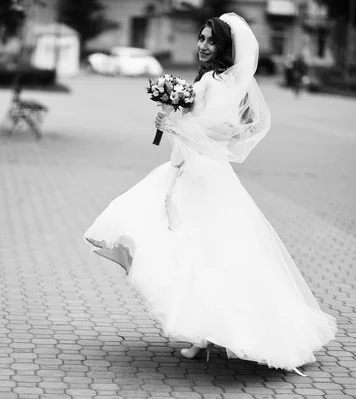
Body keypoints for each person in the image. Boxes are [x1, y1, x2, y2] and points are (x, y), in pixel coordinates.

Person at [84, 13, 337, 376]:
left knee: (210, 250)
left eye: (210, 40)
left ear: (225, 47)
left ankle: (227, 329)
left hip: (206, 178)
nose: (202, 45)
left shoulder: (230, 85)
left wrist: (177, 122)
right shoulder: (207, 80)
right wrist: (171, 118)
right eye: (201, 38)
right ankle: (199, 329)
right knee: (183, 244)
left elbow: (222, 131)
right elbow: (197, 128)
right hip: (187, 169)